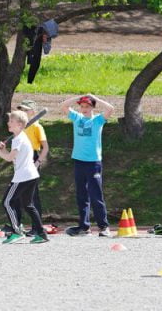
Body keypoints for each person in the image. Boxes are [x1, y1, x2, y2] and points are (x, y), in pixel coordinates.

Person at [59, 94, 115, 237]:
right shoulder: (77, 118)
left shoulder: (98, 120)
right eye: (82, 106)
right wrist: (79, 97)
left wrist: (94, 97)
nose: (84, 109)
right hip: (79, 161)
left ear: (92, 107)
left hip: (93, 162)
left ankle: (104, 227)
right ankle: (84, 227)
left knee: (96, 195)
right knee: (81, 196)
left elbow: (110, 108)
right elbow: (63, 106)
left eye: (87, 106)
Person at [0, 111, 48, 244]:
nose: (8, 123)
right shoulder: (20, 138)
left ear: (20, 125)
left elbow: (10, 157)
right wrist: (3, 150)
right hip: (30, 175)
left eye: (11, 121)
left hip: (23, 176)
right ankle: (42, 233)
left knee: (6, 202)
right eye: (9, 121)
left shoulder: (18, 139)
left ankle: (16, 232)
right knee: (28, 205)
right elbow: (13, 158)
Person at [12, 99, 49, 236]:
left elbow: (45, 148)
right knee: (16, 194)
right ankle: (16, 225)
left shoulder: (37, 127)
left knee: (32, 195)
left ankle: (36, 228)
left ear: (33, 112)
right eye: (20, 110)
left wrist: (38, 162)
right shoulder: (19, 128)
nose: (22, 112)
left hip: (32, 158)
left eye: (25, 110)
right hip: (20, 159)